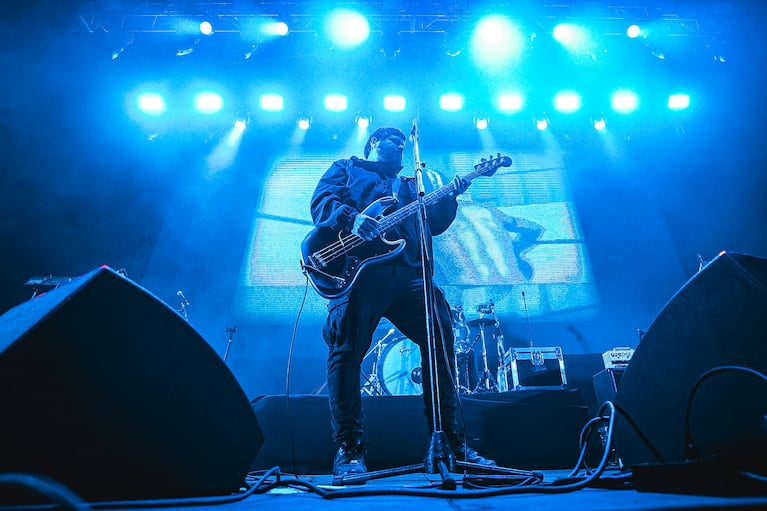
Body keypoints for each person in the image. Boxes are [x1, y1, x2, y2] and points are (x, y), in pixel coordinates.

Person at [310, 126, 496, 484]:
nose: (399, 144)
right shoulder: (348, 167)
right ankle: (350, 449)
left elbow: (435, 225)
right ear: (372, 143)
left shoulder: (413, 185)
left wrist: (453, 195)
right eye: (391, 139)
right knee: (346, 351)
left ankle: (452, 445)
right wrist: (353, 219)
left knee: (440, 340)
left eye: (403, 140)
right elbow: (321, 202)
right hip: (360, 273)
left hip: (410, 274)